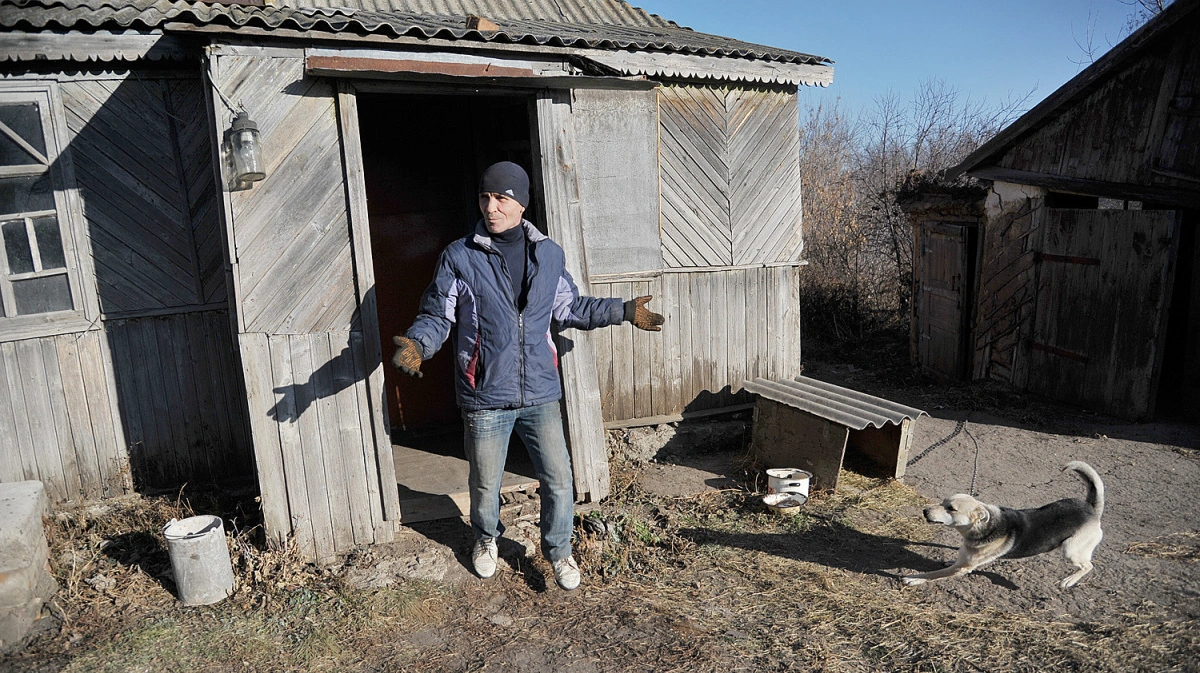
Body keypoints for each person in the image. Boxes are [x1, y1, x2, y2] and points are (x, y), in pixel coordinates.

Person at [391, 161, 664, 590]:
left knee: (558, 478)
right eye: (485, 197)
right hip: (485, 393)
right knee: (485, 482)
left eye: (501, 198)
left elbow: (569, 307)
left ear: (521, 204)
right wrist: (419, 344)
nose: (490, 206)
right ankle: (486, 539)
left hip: (539, 391)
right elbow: (437, 314)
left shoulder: (549, 254)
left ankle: (559, 551)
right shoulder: (460, 255)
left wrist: (623, 310)